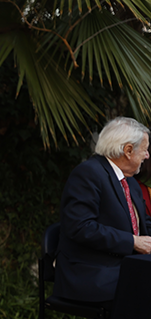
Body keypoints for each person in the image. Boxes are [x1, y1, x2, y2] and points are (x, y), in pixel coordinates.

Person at [54, 116, 151, 304]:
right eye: (145, 150)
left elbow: (143, 222)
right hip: (93, 271)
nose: (147, 156)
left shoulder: (129, 180)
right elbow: (80, 227)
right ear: (128, 151)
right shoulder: (88, 174)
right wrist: (132, 242)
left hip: (126, 265)